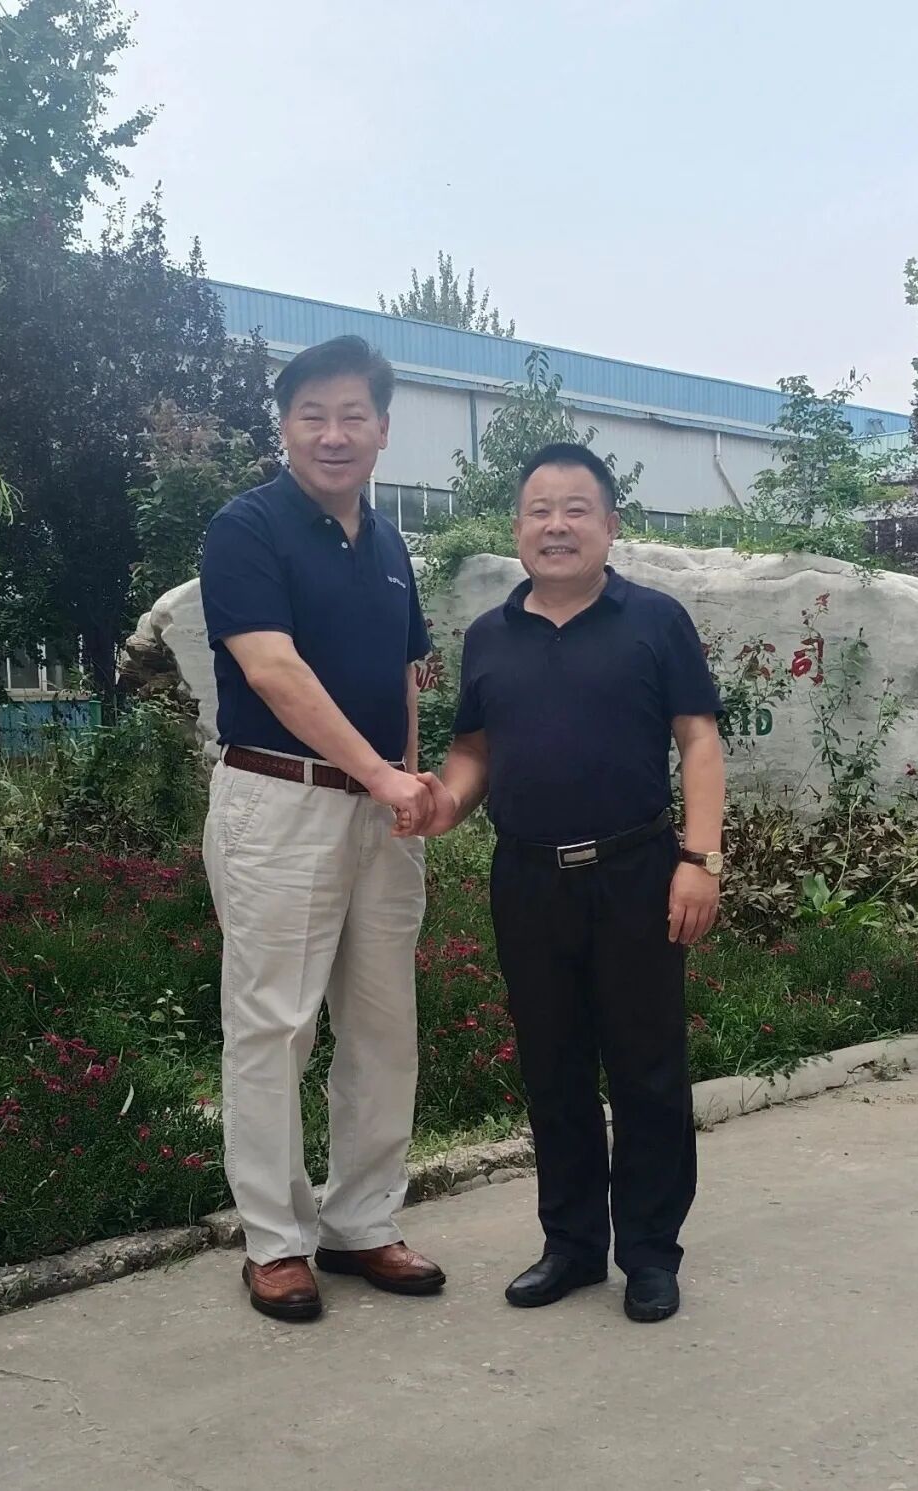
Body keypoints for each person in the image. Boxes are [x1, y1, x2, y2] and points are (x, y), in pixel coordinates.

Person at [417, 442, 725, 1323]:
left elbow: (699, 739)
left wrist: (700, 861)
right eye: (540, 510)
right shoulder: (489, 635)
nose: (557, 526)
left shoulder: (655, 620)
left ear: (610, 525)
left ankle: (651, 1253)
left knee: (647, 1070)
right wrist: (444, 803)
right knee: (552, 1068)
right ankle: (573, 1245)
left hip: (638, 873)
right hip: (527, 878)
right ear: (518, 526)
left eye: (576, 509)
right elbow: (473, 751)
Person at [200, 335, 445, 1322]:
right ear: (286, 427)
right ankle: (275, 1241)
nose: (333, 434)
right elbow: (273, 670)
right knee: (275, 1025)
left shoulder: (389, 547)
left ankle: (361, 1222)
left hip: (381, 815)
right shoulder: (246, 528)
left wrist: (408, 784)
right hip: (280, 802)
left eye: (352, 416)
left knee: (384, 1026)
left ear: (383, 429)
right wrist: (383, 774)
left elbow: (404, 677)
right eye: (313, 415)